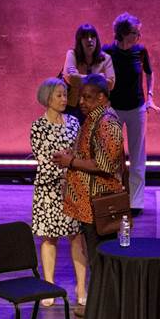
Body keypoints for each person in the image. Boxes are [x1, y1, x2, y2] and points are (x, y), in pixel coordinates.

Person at [56, 74, 127, 273]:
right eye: (81, 97)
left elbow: (104, 164)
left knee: (103, 261)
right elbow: (91, 152)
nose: (81, 102)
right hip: (88, 205)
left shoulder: (107, 123)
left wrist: (71, 161)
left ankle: (107, 302)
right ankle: (101, 300)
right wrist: (74, 154)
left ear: (101, 98)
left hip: (100, 205)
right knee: (96, 261)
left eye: (87, 97)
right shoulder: (92, 120)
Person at [30, 77, 87, 308]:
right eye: (59, 95)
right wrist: (65, 161)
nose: (64, 99)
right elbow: (43, 159)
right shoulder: (38, 126)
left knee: (77, 238)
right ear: (47, 98)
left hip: (73, 189)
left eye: (65, 95)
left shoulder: (74, 123)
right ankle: (49, 285)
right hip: (48, 191)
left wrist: (69, 161)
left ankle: (82, 286)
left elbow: (79, 153)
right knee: (49, 238)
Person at [102, 13, 156, 210]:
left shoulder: (140, 51)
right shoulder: (107, 52)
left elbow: (150, 73)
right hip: (113, 109)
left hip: (136, 109)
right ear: (124, 33)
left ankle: (135, 202)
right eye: (136, 33)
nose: (138, 37)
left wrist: (150, 96)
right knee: (112, 156)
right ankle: (114, 198)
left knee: (137, 156)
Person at [62, 23, 115, 116]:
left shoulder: (106, 58)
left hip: (96, 109)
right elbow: (71, 78)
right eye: (85, 37)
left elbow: (110, 84)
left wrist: (80, 77)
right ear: (79, 40)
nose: (90, 40)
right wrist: (99, 78)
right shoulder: (72, 54)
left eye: (93, 36)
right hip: (74, 107)